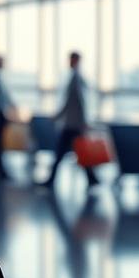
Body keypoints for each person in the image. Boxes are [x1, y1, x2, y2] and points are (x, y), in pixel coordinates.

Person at [38, 51, 98, 189]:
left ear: (75, 60)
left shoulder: (74, 79)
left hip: (72, 124)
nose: (69, 62)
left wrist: (57, 117)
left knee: (61, 153)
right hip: (75, 123)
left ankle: (52, 179)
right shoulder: (78, 77)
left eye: (71, 59)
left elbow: (73, 103)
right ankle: (92, 178)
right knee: (79, 152)